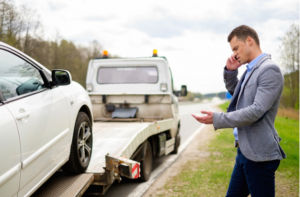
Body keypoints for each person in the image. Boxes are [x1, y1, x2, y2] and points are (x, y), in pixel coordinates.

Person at [192, 25, 286, 197]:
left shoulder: (269, 69)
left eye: (236, 48)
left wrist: (218, 119)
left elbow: (256, 110)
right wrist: (230, 72)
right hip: (244, 151)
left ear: (249, 41)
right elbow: (239, 95)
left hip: (260, 156)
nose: (234, 53)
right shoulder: (251, 69)